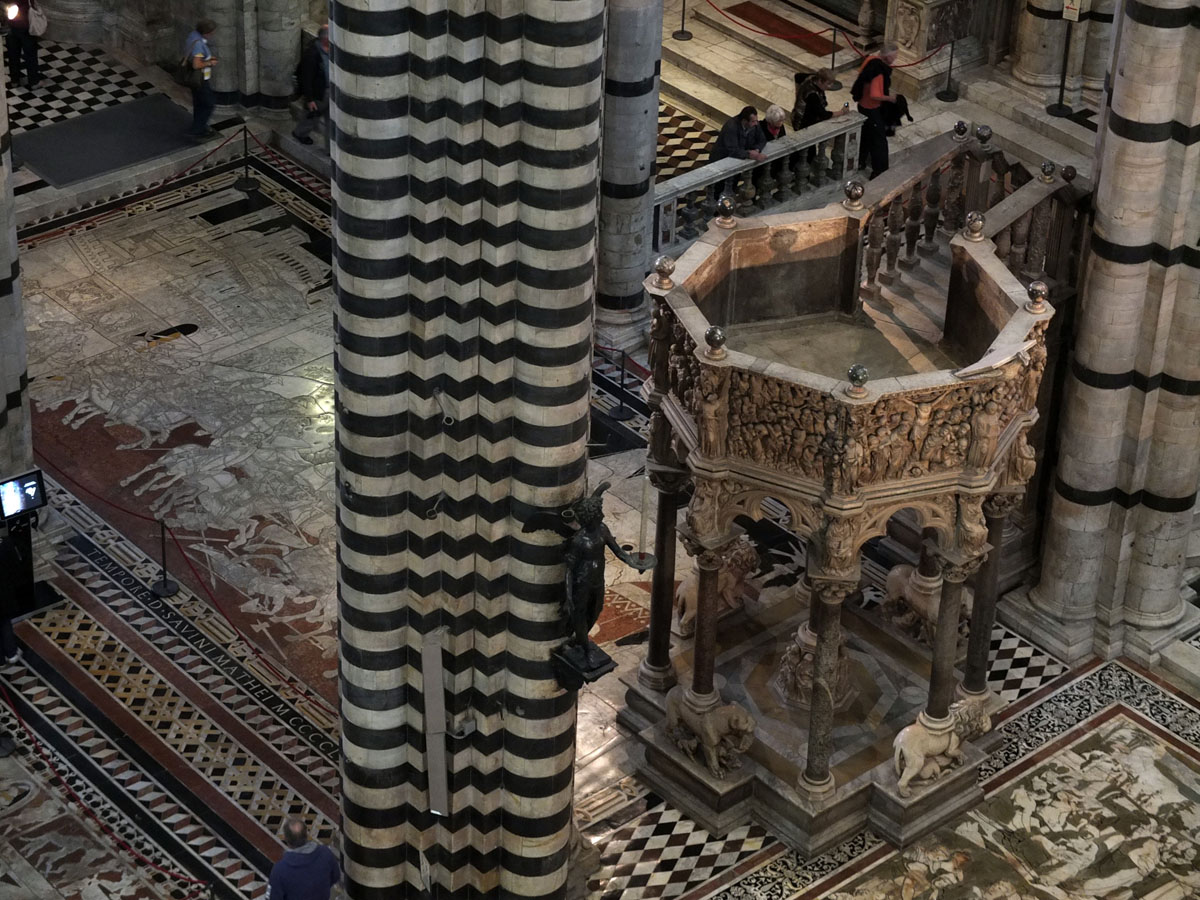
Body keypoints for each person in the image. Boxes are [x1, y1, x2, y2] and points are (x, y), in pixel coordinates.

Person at [850, 43, 900, 179]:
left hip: (862, 105)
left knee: (865, 135)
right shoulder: (878, 71)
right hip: (871, 108)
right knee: (879, 140)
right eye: (894, 56)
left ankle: (860, 161)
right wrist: (891, 98)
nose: (895, 59)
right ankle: (879, 170)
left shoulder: (870, 59)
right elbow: (875, 94)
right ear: (887, 56)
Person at [267, 817, 340, 900]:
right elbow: (335, 876)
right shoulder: (325, 854)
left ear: (286, 839)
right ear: (306, 834)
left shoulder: (280, 870)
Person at [292, 24, 330, 148]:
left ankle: (331, 149)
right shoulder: (312, 54)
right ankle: (300, 134)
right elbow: (306, 79)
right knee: (312, 117)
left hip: (331, 91)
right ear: (326, 38)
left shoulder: (331, 49)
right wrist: (310, 99)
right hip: (318, 93)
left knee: (332, 122)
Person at [183, 19, 219, 140]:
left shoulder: (193, 35)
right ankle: (197, 130)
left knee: (199, 102)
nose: (213, 35)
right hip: (199, 79)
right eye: (212, 33)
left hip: (195, 78)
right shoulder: (198, 44)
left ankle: (198, 125)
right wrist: (210, 62)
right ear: (206, 32)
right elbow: (196, 65)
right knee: (208, 103)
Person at [5, 0, 41, 88]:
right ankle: (33, 81)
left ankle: (14, 80)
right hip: (25, 23)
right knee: (30, 54)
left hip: (10, 24)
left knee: (13, 53)